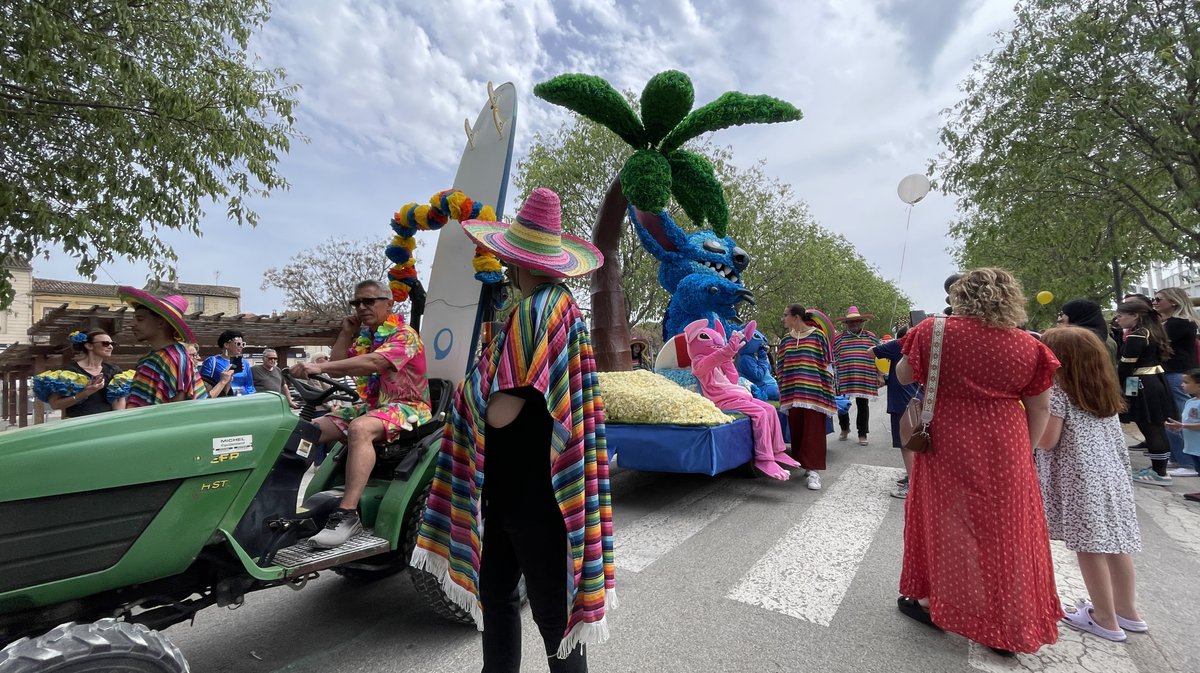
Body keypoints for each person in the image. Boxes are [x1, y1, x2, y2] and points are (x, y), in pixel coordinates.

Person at [413, 188, 614, 673]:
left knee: (545, 613)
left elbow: (502, 412)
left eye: (507, 261)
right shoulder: (555, 309)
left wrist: (469, 392)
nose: (505, 269)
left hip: (533, 494)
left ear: (520, 263)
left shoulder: (538, 313)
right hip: (514, 489)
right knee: (501, 596)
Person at [894, 268, 1061, 656]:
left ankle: (933, 603)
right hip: (1006, 439)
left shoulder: (934, 331)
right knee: (1006, 531)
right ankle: (1006, 623)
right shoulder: (1029, 345)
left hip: (947, 438)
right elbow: (1040, 405)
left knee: (942, 520)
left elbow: (904, 376)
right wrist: (1026, 451)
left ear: (960, 297)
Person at [288, 279, 431, 549]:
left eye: (369, 301)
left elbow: (375, 362)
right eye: (356, 303)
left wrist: (319, 367)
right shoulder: (366, 338)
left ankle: (347, 514)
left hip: (408, 406)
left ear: (389, 303)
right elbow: (337, 366)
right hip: (374, 406)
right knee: (306, 429)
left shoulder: (405, 335)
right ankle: (281, 504)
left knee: (360, 428)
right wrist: (345, 333)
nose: (361, 307)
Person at [1036, 327, 1145, 642]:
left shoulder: (1058, 391)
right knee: (1116, 544)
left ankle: (1104, 618)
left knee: (1090, 547)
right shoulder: (1101, 389)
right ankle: (1128, 611)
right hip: (1111, 475)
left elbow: (1047, 440)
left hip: (1079, 478)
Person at [1114, 300, 1177, 486]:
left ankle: (1160, 472)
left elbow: (1126, 365)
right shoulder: (1155, 331)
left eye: (1120, 316)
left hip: (1141, 383)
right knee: (1155, 425)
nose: (1118, 320)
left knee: (1149, 426)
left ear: (1135, 315)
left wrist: (1117, 384)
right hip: (1155, 380)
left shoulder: (1138, 336)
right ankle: (1159, 467)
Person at [117, 288, 208, 407]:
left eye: (140, 319)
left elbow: (176, 407)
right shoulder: (157, 356)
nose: (132, 324)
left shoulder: (172, 358)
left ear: (161, 322)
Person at [779, 304, 836, 490]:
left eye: (785, 315)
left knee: (813, 432)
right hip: (793, 392)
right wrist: (783, 386)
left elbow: (827, 363)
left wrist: (828, 389)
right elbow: (780, 366)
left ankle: (814, 472)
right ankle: (803, 465)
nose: (783, 319)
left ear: (796, 317)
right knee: (797, 431)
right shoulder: (786, 340)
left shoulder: (818, 336)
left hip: (814, 393)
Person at [1153, 287, 1200, 476]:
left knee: (1180, 414)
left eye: (1158, 299)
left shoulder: (1179, 323)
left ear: (1173, 302)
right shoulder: (1170, 322)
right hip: (1170, 371)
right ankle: (1178, 456)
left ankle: (1188, 461)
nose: (1154, 302)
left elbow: (1157, 342)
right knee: (1171, 414)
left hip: (1176, 372)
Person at [872, 323, 919, 499]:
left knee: (907, 445)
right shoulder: (926, 344)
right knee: (918, 444)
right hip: (920, 398)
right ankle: (914, 476)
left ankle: (913, 486)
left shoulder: (899, 345)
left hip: (902, 402)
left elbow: (872, 351)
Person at [47, 330, 127, 417]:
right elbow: (55, 404)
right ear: (89, 346)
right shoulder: (69, 372)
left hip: (106, 423)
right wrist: (85, 393)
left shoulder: (114, 370)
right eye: (105, 343)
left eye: (112, 344)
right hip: (78, 425)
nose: (110, 347)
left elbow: (119, 401)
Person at [833, 306, 881, 445]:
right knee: (842, 404)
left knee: (862, 404)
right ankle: (845, 427)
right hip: (844, 377)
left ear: (861, 322)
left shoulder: (870, 337)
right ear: (846, 324)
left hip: (864, 376)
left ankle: (862, 433)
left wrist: (880, 375)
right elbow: (833, 357)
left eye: (856, 321)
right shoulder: (839, 339)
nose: (854, 324)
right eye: (850, 322)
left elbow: (879, 357)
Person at [1166, 369, 1200, 502]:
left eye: (1186, 382)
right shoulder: (1190, 402)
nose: (1182, 385)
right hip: (1193, 446)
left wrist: (1182, 426)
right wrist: (1178, 426)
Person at [1056, 299, 1119, 369]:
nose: (1061, 318)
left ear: (1074, 316)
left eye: (1063, 314)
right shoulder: (1105, 339)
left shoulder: (1077, 342)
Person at [200, 330, 257, 397]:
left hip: (242, 399)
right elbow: (204, 385)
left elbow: (250, 386)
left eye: (243, 344)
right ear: (226, 345)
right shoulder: (212, 361)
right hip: (220, 398)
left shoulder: (244, 362)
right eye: (238, 344)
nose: (241, 346)